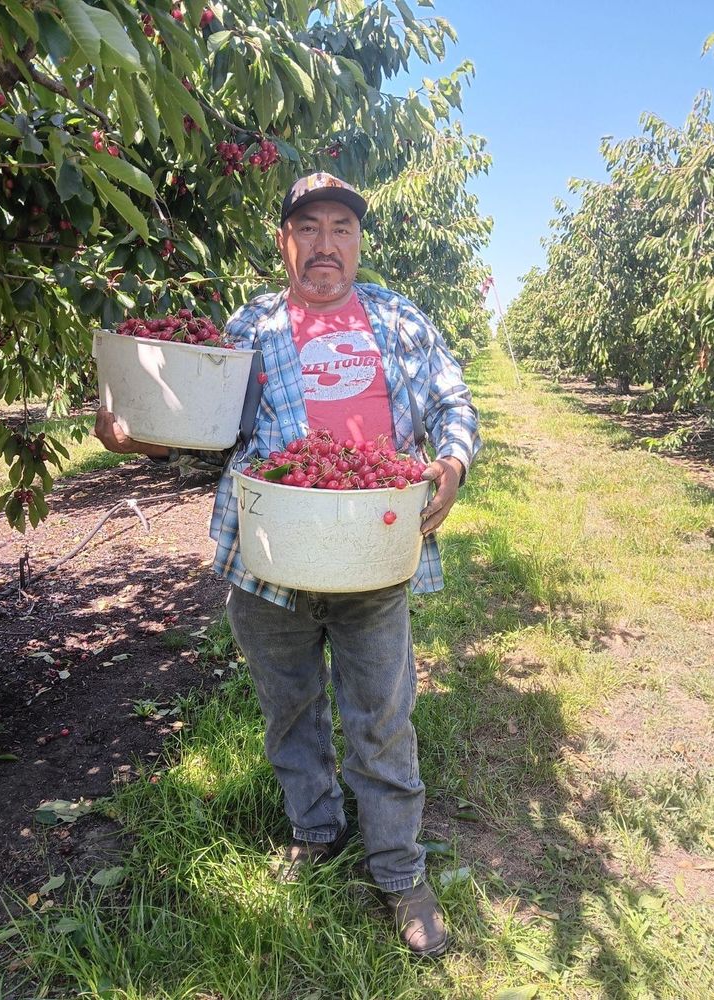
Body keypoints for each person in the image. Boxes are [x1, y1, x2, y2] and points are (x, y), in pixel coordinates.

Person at [94, 172, 481, 958]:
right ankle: (316, 829)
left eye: (341, 227)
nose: (325, 243)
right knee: (291, 707)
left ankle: (401, 872)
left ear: (359, 240)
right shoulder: (250, 327)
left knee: (382, 714)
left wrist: (451, 463)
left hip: (373, 547)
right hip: (271, 555)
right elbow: (205, 428)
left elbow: (452, 401)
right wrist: (142, 433)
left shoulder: (398, 317)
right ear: (284, 242)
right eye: (308, 228)